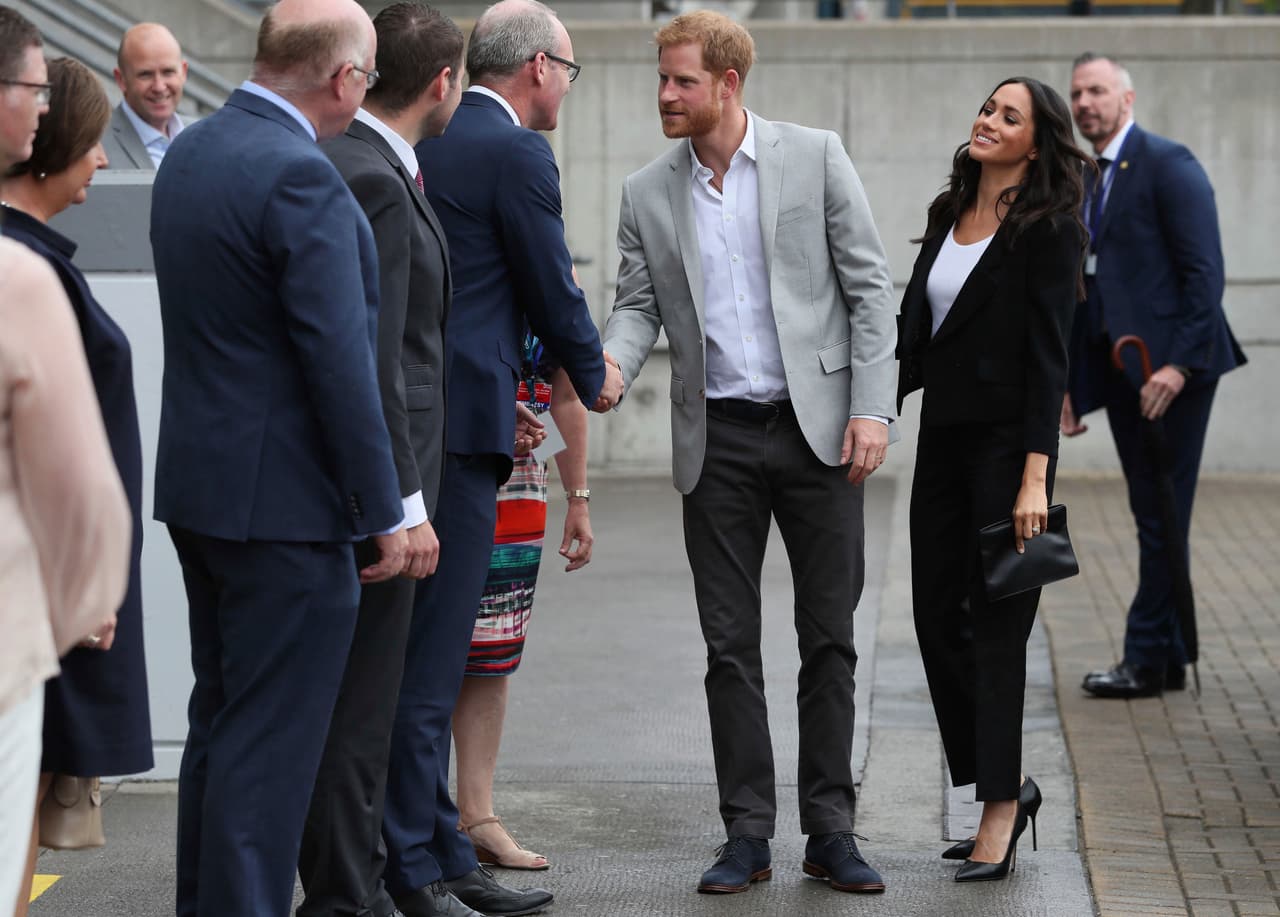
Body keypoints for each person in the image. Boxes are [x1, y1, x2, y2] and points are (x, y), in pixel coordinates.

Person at [602, 10, 896, 897]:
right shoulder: (647, 191)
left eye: (682, 81)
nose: (666, 94)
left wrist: (872, 409)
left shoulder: (814, 156)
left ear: (728, 84)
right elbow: (636, 303)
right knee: (729, 645)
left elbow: (870, 290)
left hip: (817, 433)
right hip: (717, 438)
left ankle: (831, 829)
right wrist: (610, 367)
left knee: (829, 639)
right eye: (661, 79)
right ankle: (747, 831)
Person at [149, 0, 413, 913]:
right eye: (367, 78)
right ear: (346, 80)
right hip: (289, 512)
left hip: (201, 491)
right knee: (269, 753)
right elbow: (340, 364)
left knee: (221, 730)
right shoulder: (302, 176)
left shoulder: (191, 150)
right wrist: (385, 509)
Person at [385, 1, 623, 914]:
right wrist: (593, 374)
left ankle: (437, 839)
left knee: (413, 657)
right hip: (462, 429)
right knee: (438, 657)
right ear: (537, 67)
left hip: (428, 415)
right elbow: (548, 279)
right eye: (569, 68)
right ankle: (417, 860)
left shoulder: (426, 141)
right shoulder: (518, 150)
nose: (567, 84)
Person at [896, 76, 1088, 882]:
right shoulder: (950, 213)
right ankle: (1004, 780)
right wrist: (863, 410)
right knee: (937, 616)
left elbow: (1050, 359)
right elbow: (915, 331)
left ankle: (1000, 809)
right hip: (942, 439)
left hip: (1011, 451)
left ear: (1036, 144)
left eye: (1010, 116)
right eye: (986, 107)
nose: (989, 120)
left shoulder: (1051, 230)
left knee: (999, 627)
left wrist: (1035, 478)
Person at [297, 4, 461, 917]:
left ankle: (353, 887)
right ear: (440, 84)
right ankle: (345, 897)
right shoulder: (368, 175)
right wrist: (402, 502)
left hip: (386, 482)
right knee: (360, 709)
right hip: (383, 495)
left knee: (364, 704)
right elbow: (383, 357)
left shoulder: (371, 166)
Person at [2, 56, 153, 917]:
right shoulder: (26, 270)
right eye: (93, 143)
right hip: (39, 591)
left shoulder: (38, 262)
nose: (102, 161)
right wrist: (87, 583)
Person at [1064, 53, 1245, 699]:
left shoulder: (1170, 163)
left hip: (1173, 373)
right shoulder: (1087, 176)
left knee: (1162, 513)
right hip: (1124, 372)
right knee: (1154, 512)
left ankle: (1145, 657)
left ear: (1127, 97)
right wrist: (1071, 386)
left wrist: (1177, 365)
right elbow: (1093, 287)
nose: (1086, 103)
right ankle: (1167, 656)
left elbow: (1205, 275)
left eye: (1098, 91)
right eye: (1078, 92)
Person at [455, 337, 593, 873]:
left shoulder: (550, 269)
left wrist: (577, 498)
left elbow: (563, 397)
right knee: (421, 648)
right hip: (441, 456)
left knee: (493, 650)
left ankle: (477, 815)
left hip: (519, 476)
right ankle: (413, 815)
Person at [102, 23, 187, 169]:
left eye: (168, 72)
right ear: (121, 80)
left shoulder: (209, 137)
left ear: (184, 72)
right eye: (145, 75)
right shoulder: (96, 145)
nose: (159, 87)